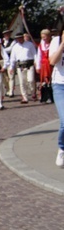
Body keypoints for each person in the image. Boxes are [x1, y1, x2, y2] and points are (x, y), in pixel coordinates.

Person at [9, 32, 38, 104]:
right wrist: (11, 67)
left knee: (31, 80)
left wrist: (36, 62)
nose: (19, 39)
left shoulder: (29, 44)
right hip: (20, 66)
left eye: (20, 38)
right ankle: (24, 97)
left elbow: (35, 54)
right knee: (22, 82)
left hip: (29, 65)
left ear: (23, 37)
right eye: (18, 38)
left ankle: (33, 92)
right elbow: (12, 58)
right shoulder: (15, 47)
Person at [49, 36, 64, 167]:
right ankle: (62, 148)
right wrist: (63, 44)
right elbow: (53, 61)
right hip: (60, 85)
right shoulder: (56, 41)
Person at [38, 29, 53, 103]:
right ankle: (45, 96)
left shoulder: (53, 44)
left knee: (51, 79)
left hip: (51, 64)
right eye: (42, 37)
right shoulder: (41, 46)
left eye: (45, 37)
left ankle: (52, 96)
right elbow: (39, 56)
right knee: (44, 80)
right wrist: (38, 66)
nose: (44, 38)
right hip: (44, 65)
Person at [0, 29, 17, 97]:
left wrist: (2, 50)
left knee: (11, 76)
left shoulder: (13, 41)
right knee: (4, 77)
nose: (7, 35)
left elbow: (10, 49)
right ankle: (8, 89)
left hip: (10, 61)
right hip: (2, 61)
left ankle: (11, 91)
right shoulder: (0, 41)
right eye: (5, 34)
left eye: (8, 34)